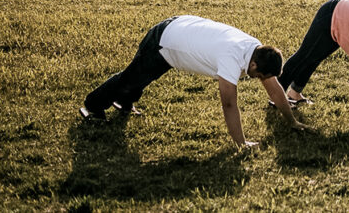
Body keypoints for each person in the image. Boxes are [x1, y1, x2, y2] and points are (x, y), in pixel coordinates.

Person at [81, 15, 305, 147]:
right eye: (260, 77)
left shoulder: (257, 50)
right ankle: (91, 106)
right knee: (130, 79)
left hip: (179, 32)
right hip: (163, 41)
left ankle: (124, 103)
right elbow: (228, 104)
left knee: (143, 77)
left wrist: (292, 121)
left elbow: (275, 90)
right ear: (254, 66)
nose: (260, 81)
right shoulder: (232, 57)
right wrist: (240, 144)